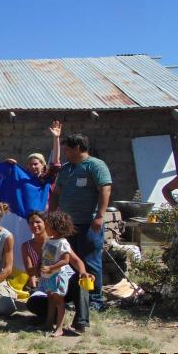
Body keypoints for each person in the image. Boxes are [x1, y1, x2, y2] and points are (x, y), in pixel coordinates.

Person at [50, 132, 112, 323]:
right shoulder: (67, 169)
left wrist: (100, 215)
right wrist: (52, 216)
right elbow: (56, 192)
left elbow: (105, 189)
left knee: (90, 261)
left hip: (89, 223)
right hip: (68, 224)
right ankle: (74, 297)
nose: (65, 153)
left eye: (67, 149)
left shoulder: (95, 165)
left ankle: (94, 299)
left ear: (77, 148)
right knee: (70, 261)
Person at [23, 211, 93, 325]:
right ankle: (56, 318)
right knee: (33, 303)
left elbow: (75, 261)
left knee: (81, 279)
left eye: (38, 222)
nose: (34, 225)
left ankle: (81, 321)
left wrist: (83, 272)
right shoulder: (27, 246)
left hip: (63, 280)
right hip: (47, 283)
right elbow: (30, 271)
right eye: (31, 223)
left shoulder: (59, 241)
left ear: (46, 224)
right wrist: (40, 266)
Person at [39, 212, 75, 337]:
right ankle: (49, 322)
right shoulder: (48, 241)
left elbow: (66, 260)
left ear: (55, 227)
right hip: (47, 275)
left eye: (47, 225)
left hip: (57, 275)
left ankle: (59, 328)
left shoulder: (62, 242)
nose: (45, 228)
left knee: (59, 300)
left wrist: (51, 267)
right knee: (50, 299)